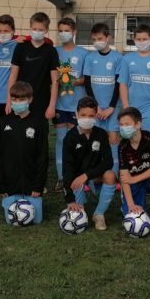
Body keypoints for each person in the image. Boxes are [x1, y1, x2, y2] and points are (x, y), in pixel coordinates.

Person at [7, 12, 59, 189]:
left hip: (41, 104)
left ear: (46, 30)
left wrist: (52, 105)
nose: (38, 31)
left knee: (39, 144)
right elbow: (13, 75)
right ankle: (20, 177)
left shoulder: (51, 51)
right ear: (30, 28)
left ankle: (39, 182)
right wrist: (9, 100)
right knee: (19, 140)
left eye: (41, 29)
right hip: (20, 103)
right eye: (35, 29)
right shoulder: (21, 47)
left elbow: (55, 81)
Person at [0, 81, 49, 225]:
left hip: (32, 187)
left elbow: (43, 156)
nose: (17, 102)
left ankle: (33, 199)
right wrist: (0, 184)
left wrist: (38, 186)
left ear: (30, 99)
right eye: (14, 99)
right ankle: (10, 199)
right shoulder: (3, 122)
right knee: (12, 221)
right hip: (10, 187)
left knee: (36, 220)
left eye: (22, 99)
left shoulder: (39, 123)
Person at [61, 96, 117, 231]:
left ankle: (99, 214)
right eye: (83, 115)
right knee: (78, 213)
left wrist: (87, 175)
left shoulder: (101, 134)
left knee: (110, 175)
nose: (87, 118)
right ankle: (81, 209)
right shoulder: (70, 137)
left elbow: (108, 162)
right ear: (76, 114)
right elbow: (67, 168)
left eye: (91, 115)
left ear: (96, 116)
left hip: (94, 175)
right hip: (76, 179)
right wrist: (70, 199)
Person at [117, 107, 150, 239]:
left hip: (148, 180)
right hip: (132, 184)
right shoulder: (123, 146)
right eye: (121, 125)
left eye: (127, 124)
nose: (124, 128)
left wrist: (135, 179)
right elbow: (124, 177)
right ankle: (127, 204)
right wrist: (130, 204)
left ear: (138, 124)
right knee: (132, 214)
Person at [83, 23, 124, 172]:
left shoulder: (118, 58)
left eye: (100, 38)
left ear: (108, 38)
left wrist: (112, 107)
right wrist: (96, 106)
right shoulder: (90, 57)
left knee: (113, 139)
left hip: (113, 107)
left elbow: (119, 84)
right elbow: (87, 83)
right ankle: (95, 174)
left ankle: (113, 175)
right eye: (94, 39)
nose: (97, 42)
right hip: (96, 108)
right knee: (95, 140)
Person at [53, 17, 88, 189]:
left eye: (66, 30)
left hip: (77, 106)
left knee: (77, 141)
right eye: (60, 30)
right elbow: (50, 76)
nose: (63, 34)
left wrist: (74, 81)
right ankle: (61, 177)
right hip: (59, 104)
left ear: (74, 32)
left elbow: (86, 78)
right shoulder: (54, 51)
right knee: (61, 139)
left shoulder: (83, 53)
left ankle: (76, 176)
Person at [119, 24, 150, 139]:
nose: (141, 42)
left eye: (145, 39)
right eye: (138, 39)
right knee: (131, 141)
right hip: (132, 107)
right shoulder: (127, 59)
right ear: (134, 40)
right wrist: (126, 108)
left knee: (149, 142)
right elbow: (123, 85)